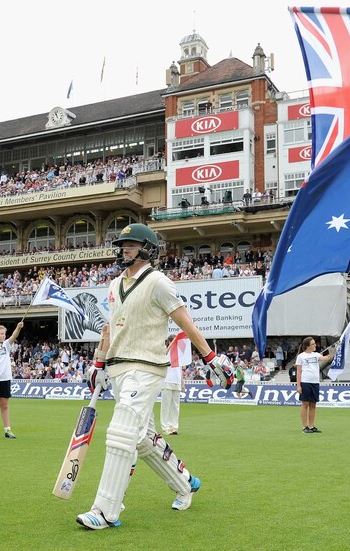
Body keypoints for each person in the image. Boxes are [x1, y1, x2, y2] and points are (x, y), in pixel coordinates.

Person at [77, 223, 233, 530]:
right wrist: (99, 363)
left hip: (147, 366)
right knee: (143, 438)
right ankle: (185, 483)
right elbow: (112, 328)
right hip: (119, 367)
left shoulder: (158, 282)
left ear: (148, 249)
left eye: (131, 245)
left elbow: (183, 319)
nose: (125, 250)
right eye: (122, 245)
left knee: (122, 432)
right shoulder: (113, 285)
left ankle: (106, 510)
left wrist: (210, 357)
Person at [295, 337, 335, 434]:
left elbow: (327, 358)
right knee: (305, 404)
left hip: (315, 382)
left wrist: (335, 350)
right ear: (308, 346)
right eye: (313, 344)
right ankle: (305, 427)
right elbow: (299, 371)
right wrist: (298, 385)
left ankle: (311, 426)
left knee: (313, 405)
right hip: (305, 382)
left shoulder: (316, 355)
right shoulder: (301, 356)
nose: (315, 345)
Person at [161, 335, 186, 435]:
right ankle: (165, 427)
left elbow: (180, 371)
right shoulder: (165, 351)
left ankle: (174, 426)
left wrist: (182, 383)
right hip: (167, 381)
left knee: (175, 406)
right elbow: (164, 353)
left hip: (176, 381)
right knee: (166, 406)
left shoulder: (180, 354)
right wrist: (172, 343)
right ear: (170, 342)